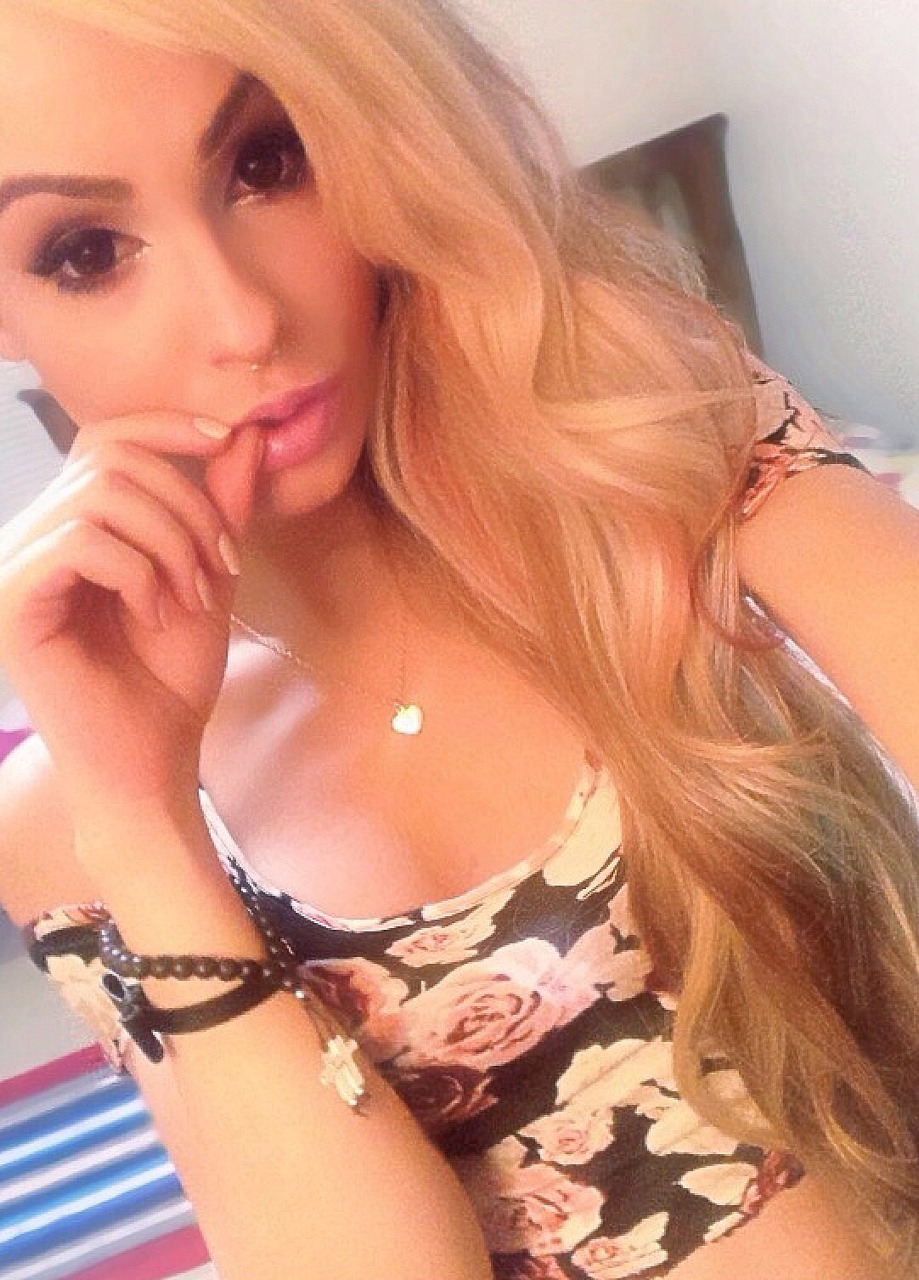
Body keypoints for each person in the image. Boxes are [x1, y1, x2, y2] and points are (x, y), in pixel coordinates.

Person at [0, 1, 917, 1276]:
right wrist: (140, 814)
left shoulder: (638, 436)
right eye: (87, 250)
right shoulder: (71, 812)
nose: (244, 319)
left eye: (268, 162)